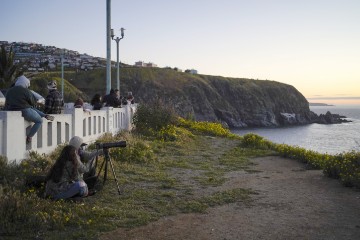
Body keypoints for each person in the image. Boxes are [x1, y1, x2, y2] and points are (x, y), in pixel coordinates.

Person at [4, 75, 54, 144]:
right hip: (24, 111)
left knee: (31, 108)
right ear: (25, 83)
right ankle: (30, 136)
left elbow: (6, 103)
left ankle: (44, 115)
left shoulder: (9, 91)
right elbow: (33, 102)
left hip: (11, 110)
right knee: (39, 121)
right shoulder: (26, 91)